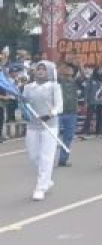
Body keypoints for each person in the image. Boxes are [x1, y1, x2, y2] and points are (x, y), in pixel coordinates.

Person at [22, 61, 62, 200]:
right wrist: (24, 109)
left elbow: (59, 105)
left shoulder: (54, 87)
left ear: (49, 72)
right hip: (33, 124)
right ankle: (46, 179)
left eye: (43, 69)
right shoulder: (28, 87)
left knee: (46, 156)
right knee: (33, 156)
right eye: (38, 69)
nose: (40, 71)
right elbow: (24, 104)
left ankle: (41, 187)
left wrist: (50, 114)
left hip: (49, 125)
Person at [56, 60, 81, 167]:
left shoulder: (75, 82)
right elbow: (55, 73)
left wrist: (80, 66)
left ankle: (63, 159)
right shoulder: (59, 81)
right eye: (66, 68)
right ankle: (47, 158)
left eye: (70, 69)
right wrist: (62, 65)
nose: (68, 70)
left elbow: (84, 77)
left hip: (72, 113)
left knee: (68, 137)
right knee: (53, 136)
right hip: (59, 113)